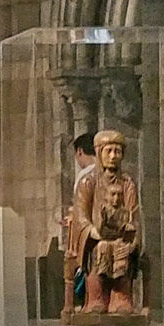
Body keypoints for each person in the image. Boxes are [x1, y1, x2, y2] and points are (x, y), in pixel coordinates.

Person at [71, 130, 142, 315]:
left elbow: (134, 213)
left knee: (122, 248)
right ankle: (97, 297)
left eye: (117, 152)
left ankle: (120, 297)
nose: (113, 156)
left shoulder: (127, 184)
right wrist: (92, 230)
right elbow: (80, 215)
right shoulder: (88, 182)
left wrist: (131, 229)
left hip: (120, 237)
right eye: (108, 151)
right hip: (96, 237)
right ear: (99, 153)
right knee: (100, 248)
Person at [61, 132, 97, 315]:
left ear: (80, 152)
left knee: (81, 263)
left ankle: (85, 304)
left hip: (88, 231)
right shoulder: (102, 172)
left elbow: (80, 208)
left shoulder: (85, 175)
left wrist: (74, 219)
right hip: (96, 227)